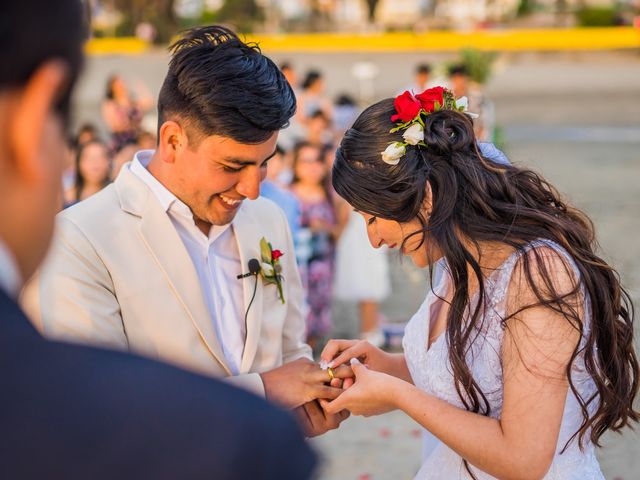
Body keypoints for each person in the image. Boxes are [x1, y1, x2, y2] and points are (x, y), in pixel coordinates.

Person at [0, 0, 316, 478]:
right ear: (171, 140)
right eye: (233, 167)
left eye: (264, 164)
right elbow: (94, 409)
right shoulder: (81, 237)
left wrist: (311, 399)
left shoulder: (268, 218)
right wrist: (267, 393)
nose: (252, 189)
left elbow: (292, 350)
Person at [320, 87, 639, 479]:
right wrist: (387, 369)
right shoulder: (454, 260)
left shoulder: (539, 278)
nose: (373, 240)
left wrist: (398, 396)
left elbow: (523, 460)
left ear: (426, 199)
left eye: (372, 218)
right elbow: (472, 375)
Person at [290, 142, 339, 349]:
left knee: (318, 309)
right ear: (295, 165)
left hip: (321, 263)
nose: (312, 167)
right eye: (305, 161)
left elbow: (338, 233)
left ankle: (309, 352)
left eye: (317, 161)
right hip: (295, 263)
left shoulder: (331, 195)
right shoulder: (287, 194)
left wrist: (325, 229)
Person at [101, 74, 153, 152]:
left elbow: (149, 102)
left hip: (138, 140)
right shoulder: (110, 104)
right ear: (112, 88)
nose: (121, 86)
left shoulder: (132, 102)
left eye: (122, 83)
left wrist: (140, 88)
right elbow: (115, 125)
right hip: (121, 142)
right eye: (118, 85)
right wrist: (132, 124)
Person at [63, 138, 111, 207]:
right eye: (88, 157)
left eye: (100, 157)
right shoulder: (67, 197)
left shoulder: (116, 196)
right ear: (78, 163)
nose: (94, 162)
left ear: (108, 162)